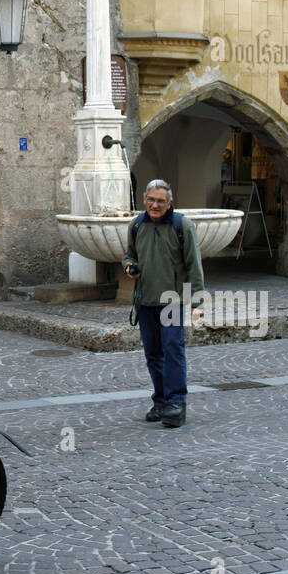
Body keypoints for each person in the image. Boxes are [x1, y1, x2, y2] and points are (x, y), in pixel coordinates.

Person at [123, 179, 204, 429]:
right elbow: (129, 254)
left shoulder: (183, 226)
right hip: (145, 301)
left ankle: (176, 403)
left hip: (173, 302)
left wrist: (197, 301)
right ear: (144, 199)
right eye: (151, 199)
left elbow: (194, 265)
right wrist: (129, 267)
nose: (154, 205)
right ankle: (160, 401)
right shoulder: (136, 225)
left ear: (170, 204)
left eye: (160, 201)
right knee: (153, 355)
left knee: (172, 350)